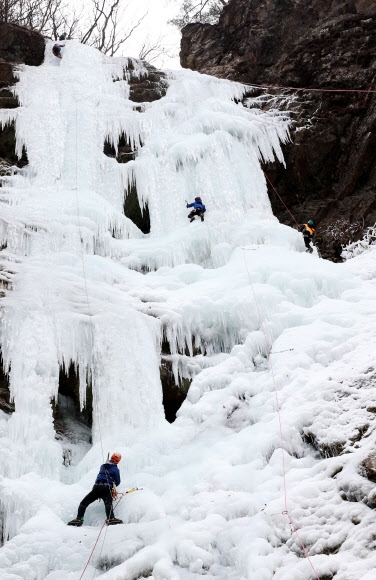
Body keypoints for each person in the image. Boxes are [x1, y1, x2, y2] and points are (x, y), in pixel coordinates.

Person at [67, 453, 123, 526]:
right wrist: (113, 487)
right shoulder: (115, 469)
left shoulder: (102, 466)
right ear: (117, 462)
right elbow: (117, 482)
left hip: (96, 487)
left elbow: (106, 467)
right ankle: (111, 518)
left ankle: (79, 519)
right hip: (106, 488)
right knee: (108, 504)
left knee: (83, 503)